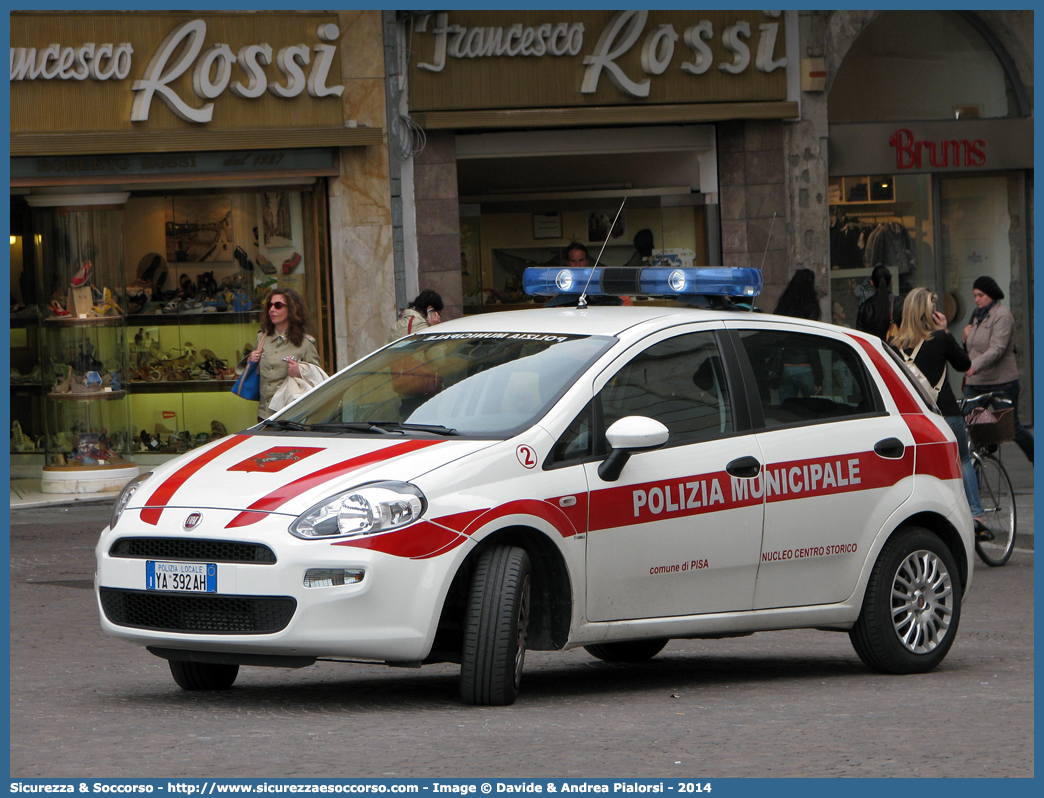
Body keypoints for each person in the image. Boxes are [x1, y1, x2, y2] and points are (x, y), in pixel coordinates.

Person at [892, 287, 987, 535]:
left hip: (915, 421)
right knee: (962, 460)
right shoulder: (941, 339)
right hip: (946, 413)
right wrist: (945, 330)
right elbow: (965, 365)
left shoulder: (893, 346)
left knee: (924, 471)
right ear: (929, 313)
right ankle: (977, 516)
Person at [962, 275, 1033, 464]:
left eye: (980, 295)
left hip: (1002, 382)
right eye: (975, 295)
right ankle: (984, 450)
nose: (976, 299)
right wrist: (964, 338)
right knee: (971, 419)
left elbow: (997, 349)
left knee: (1012, 428)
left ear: (991, 295)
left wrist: (974, 365)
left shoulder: (1002, 315)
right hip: (977, 382)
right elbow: (972, 348)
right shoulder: (977, 315)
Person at [247, 288, 321, 422]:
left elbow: (317, 379)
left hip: (292, 416)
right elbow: (252, 371)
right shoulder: (262, 338)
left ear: (291, 309)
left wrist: (300, 371)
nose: (272, 309)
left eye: (278, 305)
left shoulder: (306, 343)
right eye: (270, 305)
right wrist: (250, 359)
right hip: (264, 415)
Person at [772, 269, 824, 398]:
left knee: (787, 411)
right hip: (805, 365)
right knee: (813, 410)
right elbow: (811, 341)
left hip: (785, 365)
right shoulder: (810, 306)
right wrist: (819, 377)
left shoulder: (784, 305)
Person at [544, 242, 623, 307]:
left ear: (586, 261)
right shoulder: (560, 286)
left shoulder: (598, 281)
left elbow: (624, 301)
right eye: (573, 261)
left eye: (581, 260)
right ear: (568, 263)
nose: (577, 265)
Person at [856, 264, 902, 340]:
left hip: (872, 350)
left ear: (871, 283)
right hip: (893, 350)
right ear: (891, 281)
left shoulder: (865, 307)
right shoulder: (899, 303)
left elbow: (860, 337)